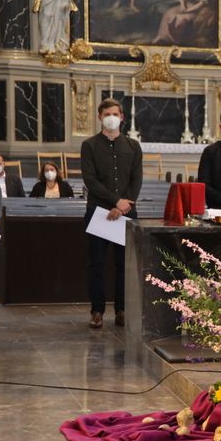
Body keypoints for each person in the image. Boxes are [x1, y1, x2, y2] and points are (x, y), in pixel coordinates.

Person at [81, 97, 142, 329]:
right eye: (107, 114)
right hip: (98, 213)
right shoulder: (89, 145)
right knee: (96, 263)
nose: (111, 118)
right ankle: (97, 310)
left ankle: (122, 309)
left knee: (124, 265)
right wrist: (115, 201)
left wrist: (124, 204)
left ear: (122, 117)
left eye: (115, 114)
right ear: (99, 117)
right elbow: (90, 180)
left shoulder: (133, 146)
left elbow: (136, 179)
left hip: (126, 213)